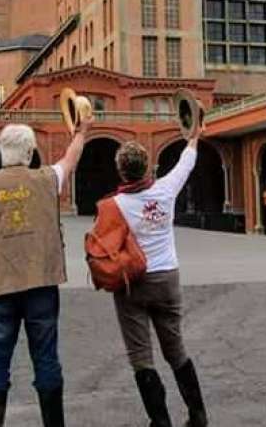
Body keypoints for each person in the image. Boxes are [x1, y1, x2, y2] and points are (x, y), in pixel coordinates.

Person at [0, 120, 89, 426]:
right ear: (30, 152)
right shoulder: (45, 179)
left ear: (2, 151)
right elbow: (70, 160)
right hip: (41, 284)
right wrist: (82, 133)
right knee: (46, 360)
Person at [101, 129, 208, 427]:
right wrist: (193, 136)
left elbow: (102, 247)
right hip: (167, 279)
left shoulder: (113, 206)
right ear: (147, 167)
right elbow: (187, 161)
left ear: (121, 171)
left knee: (140, 356)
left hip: (132, 283)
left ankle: (160, 422)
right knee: (176, 349)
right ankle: (198, 415)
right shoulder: (166, 189)